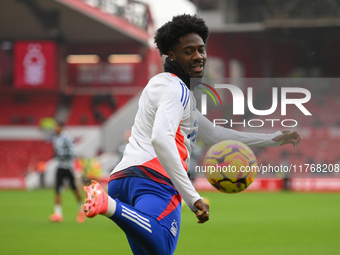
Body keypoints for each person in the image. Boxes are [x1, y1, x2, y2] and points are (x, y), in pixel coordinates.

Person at [82, 14, 302, 254]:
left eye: (201, 49)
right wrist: (192, 196)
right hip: (153, 179)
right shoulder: (177, 88)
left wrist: (273, 138)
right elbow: (161, 139)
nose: (198, 56)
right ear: (172, 55)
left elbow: (216, 134)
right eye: (189, 51)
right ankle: (108, 205)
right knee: (164, 244)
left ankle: (111, 203)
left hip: (123, 180)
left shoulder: (165, 87)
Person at [49, 121, 85, 223]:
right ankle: (58, 214)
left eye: (56, 126)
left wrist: (62, 153)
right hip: (60, 167)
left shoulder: (67, 138)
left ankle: (81, 211)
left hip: (68, 167)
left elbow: (73, 152)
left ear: (61, 127)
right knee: (57, 190)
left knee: (75, 191)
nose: (55, 128)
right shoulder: (56, 138)